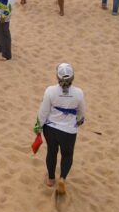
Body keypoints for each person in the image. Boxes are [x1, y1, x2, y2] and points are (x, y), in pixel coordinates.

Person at [36, 63, 86, 195]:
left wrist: (38, 126)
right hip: (69, 132)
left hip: (51, 129)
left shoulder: (50, 91)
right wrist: (79, 121)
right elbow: (81, 113)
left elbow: (43, 111)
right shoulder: (79, 93)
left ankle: (51, 179)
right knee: (67, 155)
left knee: (52, 152)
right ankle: (62, 178)